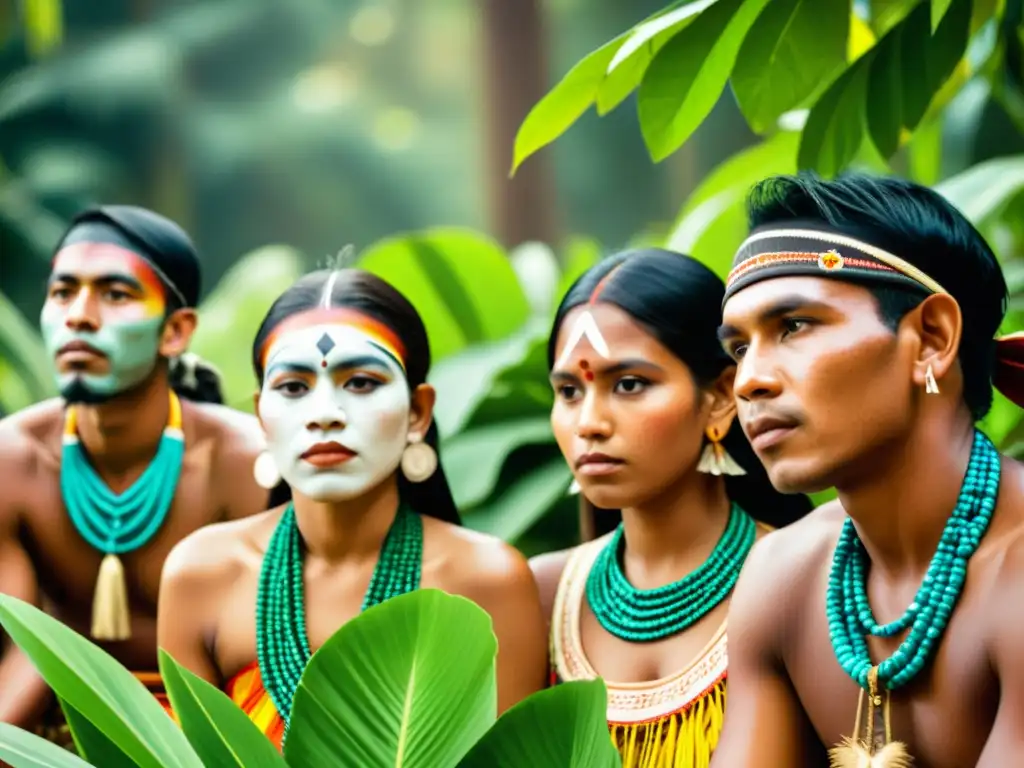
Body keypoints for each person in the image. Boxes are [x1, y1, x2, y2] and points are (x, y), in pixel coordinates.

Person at [158, 267, 548, 750]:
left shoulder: (486, 579)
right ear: (261, 415)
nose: (324, 414)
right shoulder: (202, 574)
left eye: (361, 382)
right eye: (294, 388)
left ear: (417, 413)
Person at [711, 172, 1024, 768]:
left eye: (793, 326)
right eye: (739, 348)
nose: (748, 380)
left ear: (931, 338)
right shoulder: (783, 578)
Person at [0, 205, 272, 747]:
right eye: (62, 292)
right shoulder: (13, 460)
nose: (79, 315)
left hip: (209, 737)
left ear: (175, 331)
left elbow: (269, 655)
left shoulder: (245, 463)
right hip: (54, 734)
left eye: (115, 294)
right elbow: (23, 649)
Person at [530, 249, 811, 768]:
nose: (588, 422)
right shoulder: (540, 596)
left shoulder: (798, 579)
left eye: (629, 384)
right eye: (569, 391)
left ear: (722, 396)